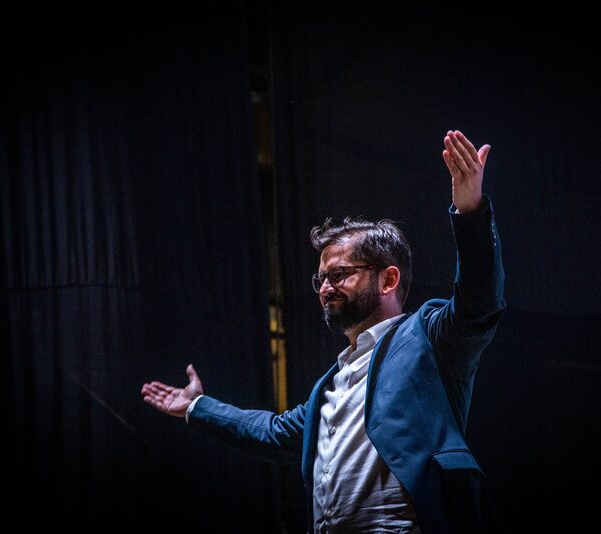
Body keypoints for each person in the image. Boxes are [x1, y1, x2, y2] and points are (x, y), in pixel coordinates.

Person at [141, 130, 505, 533]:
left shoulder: (428, 338)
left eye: (339, 275)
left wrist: (469, 213)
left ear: (388, 280)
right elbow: (274, 433)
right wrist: (196, 406)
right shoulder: (331, 383)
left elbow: (479, 303)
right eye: (320, 279)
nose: (325, 288)